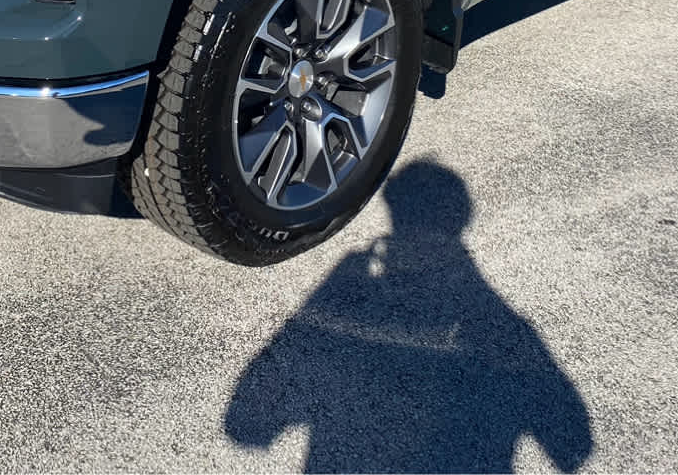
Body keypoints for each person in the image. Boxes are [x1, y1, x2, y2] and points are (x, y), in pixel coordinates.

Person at [225, 160, 594, 473]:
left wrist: (330, 289)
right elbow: (573, 447)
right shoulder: (507, 327)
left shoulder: (354, 291)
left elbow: (246, 426)